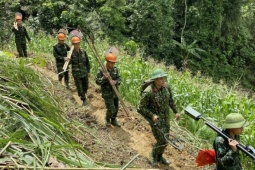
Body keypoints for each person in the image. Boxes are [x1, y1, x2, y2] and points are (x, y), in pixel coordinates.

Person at [138, 68, 181, 167]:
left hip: (166, 118)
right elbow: (141, 108)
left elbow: (171, 101)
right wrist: (152, 115)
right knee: (162, 140)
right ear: (155, 80)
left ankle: (160, 156)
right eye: (160, 78)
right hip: (156, 119)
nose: (163, 80)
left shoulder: (166, 87)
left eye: (164, 78)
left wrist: (176, 112)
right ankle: (153, 155)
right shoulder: (148, 92)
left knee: (166, 139)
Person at [95, 53, 121, 127]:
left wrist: (115, 81)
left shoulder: (115, 69)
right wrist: (104, 78)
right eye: (111, 62)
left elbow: (119, 78)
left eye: (114, 62)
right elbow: (97, 81)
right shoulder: (101, 70)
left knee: (116, 107)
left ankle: (113, 120)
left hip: (115, 92)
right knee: (112, 108)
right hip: (107, 93)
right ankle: (107, 119)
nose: (113, 64)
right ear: (107, 61)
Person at [69, 33, 90, 106]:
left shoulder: (83, 52)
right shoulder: (70, 53)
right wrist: (67, 60)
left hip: (84, 72)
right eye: (75, 44)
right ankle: (83, 99)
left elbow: (87, 62)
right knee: (79, 87)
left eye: (78, 43)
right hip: (76, 74)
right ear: (72, 44)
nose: (76, 45)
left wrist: (88, 71)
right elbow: (68, 63)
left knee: (86, 86)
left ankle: (84, 94)